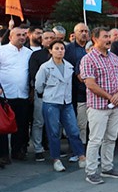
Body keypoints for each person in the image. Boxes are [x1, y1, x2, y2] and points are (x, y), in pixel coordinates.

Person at [80, 27, 118, 184]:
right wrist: (109, 97)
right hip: (98, 107)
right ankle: (91, 171)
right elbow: (91, 84)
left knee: (111, 138)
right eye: (105, 37)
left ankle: (107, 167)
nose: (109, 40)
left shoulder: (113, 57)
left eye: (109, 37)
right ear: (95, 39)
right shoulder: (88, 59)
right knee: (96, 139)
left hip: (116, 106)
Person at [34, 40, 87, 172]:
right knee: (53, 132)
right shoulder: (45, 67)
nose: (60, 51)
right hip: (51, 102)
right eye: (56, 48)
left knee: (74, 130)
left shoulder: (69, 66)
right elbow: (39, 86)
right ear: (51, 51)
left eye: (62, 48)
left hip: (66, 103)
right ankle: (56, 159)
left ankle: (81, 156)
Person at [0, 27, 32, 162]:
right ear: (10, 37)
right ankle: (3, 155)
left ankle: (17, 151)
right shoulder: (2, 51)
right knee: (3, 126)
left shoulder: (28, 53)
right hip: (5, 95)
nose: (22, 37)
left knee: (21, 125)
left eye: (24, 35)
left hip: (23, 94)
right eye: (18, 35)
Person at [28, 29, 55, 162]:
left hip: (57, 96)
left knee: (55, 123)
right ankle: (38, 149)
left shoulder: (62, 54)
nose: (50, 40)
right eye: (47, 38)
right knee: (39, 122)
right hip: (42, 94)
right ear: (42, 41)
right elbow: (34, 75)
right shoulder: (36, 55)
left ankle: (52, 146)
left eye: (52, 38)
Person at [64, 23, 90, 148]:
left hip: (90, 90)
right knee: (73, 120)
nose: (84, 33)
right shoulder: (68, 49)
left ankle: (87, 145)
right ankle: (74, 145)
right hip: (72, 89)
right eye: (81, 31)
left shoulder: (92, 48)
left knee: (87, 121)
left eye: (86, 31)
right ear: (75, 33)